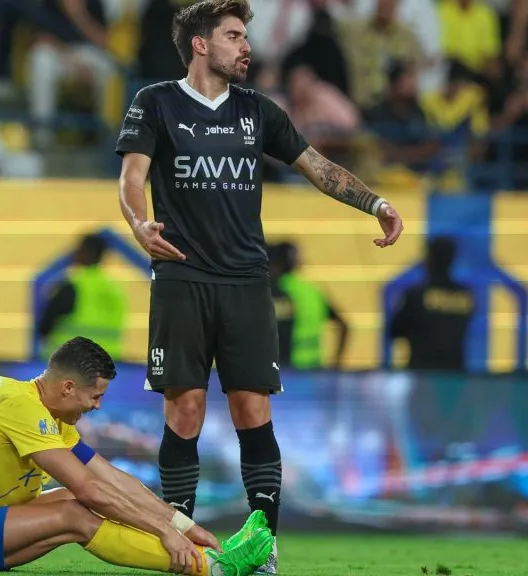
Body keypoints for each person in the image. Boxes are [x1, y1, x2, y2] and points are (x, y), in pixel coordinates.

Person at [114, 1, 404, 573]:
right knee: (186, 409)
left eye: (245, 37)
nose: (246, 47)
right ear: (201, 45)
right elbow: (132, 176)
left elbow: (318, 166)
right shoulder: (155, 102)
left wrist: (375, 201)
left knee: (252, 409)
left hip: (247, 281)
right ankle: (180, 544)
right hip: (182, 277)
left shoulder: (258, 111)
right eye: (233, 36)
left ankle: (263, 546)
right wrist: (136, 221)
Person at [0, 336, 273, 575]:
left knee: (79, 500)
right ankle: (212, 569)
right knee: (75, 512)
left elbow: (111, 478)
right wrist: (164, 534)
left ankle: (210, 557)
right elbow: (91, 491)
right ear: (68, 387)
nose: (96, 406)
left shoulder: (47, 414)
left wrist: (186, 527)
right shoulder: (15, 404)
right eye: (95, 397)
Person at [38, 232, 128, 361]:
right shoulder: (114, 290)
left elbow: (45, 325)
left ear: (85, 252)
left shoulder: (73, 285)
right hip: (108, 364)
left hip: (70, 364)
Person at [388, 236, 473, 371]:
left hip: (421, 373)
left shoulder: (416, 295)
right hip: (455, 375)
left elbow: (394, 331)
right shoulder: (466, 296)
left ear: (429, 259)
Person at [268, 241, 350, 370]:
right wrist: (336, 363)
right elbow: (344, 325)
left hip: (279, 370)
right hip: (313, 370)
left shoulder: (268, 291)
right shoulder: (312, 291)